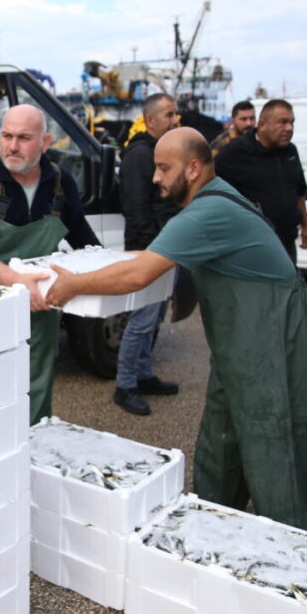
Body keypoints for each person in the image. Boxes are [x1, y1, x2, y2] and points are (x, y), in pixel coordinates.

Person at [45, 127, 307, 531]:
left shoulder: (207, 213)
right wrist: (97, 261)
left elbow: (138, 274)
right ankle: (214, 519)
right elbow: (151, 255)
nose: (155, 177)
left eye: (163, 168)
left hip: (275, 333)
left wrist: (73, 284)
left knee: (272, 433)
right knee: (222, 429)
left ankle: (289, 537)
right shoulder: (212, 197)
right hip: (248, 339)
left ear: (193, 168)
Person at [0, 104, 100, 426]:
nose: (12, 146)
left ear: (45, 143)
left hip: (37, 308)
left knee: (34, 385)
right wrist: (15, 280)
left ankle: (31, 450)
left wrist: (108, 275)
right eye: (6, 136)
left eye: (23, 137)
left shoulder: (61, 184)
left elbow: (83, 238)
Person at [113, 93, 182, 416]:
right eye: (169, 114)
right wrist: (147, 254)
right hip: (149, 250)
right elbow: (137, 208)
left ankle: (143, 374)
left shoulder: (158, 152)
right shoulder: (139, 155)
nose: (176, 119)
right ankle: (125, 385)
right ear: (150, 120)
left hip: (165, 247)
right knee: (141, 320)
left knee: (154, 319)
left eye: (177, 113)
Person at [215, 99, 307, 262]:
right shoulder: (237, 151)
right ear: (262, 124)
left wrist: (306, 226)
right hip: (252, 247)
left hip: (286, 244)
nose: (289, 128)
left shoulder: (290, 151)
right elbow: (208, 189)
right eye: (282, 122)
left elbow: (299, 191)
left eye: (291, 122)